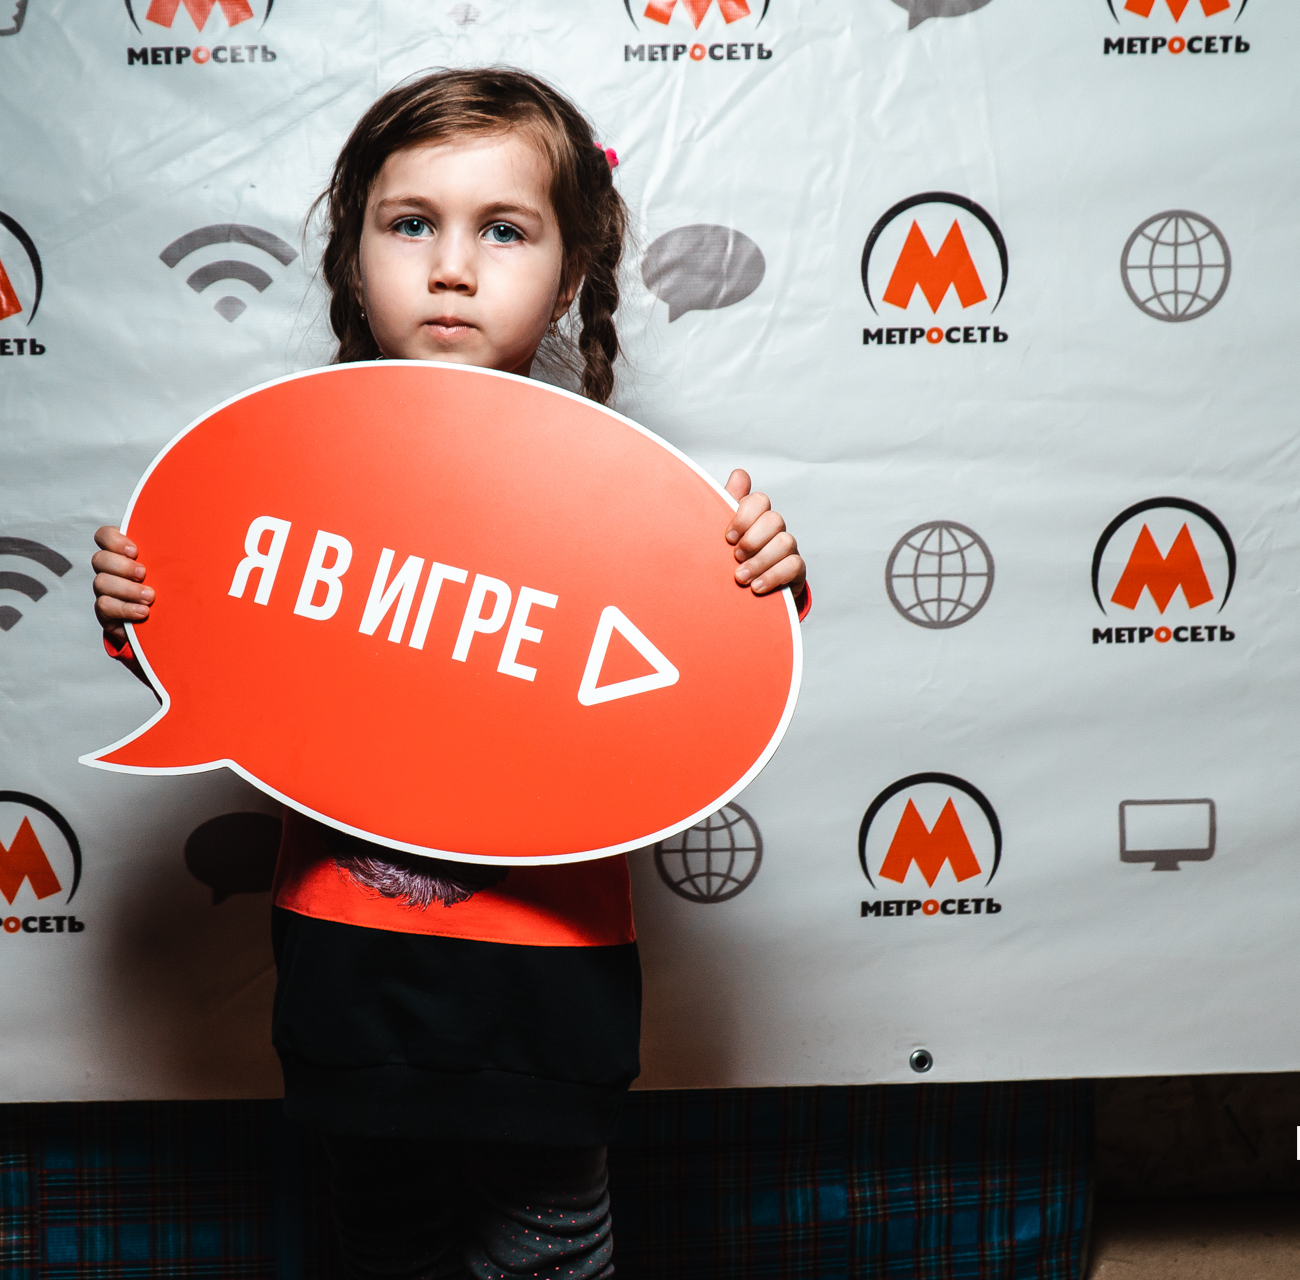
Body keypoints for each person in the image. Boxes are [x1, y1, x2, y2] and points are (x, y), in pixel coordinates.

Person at [91, 68, 808, 1280]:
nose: (452, 268)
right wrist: (140, 611)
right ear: (353, 256)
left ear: (570, 277)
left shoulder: (622, 497)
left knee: (550, 1248)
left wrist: (766, 573)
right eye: (412, 223)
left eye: (504, 230)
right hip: (349, 966)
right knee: (385, 1243)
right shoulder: (290, 477)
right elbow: (216, 653)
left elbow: (711, 659)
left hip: (554, 969)